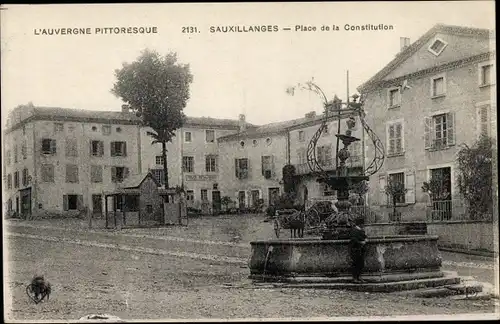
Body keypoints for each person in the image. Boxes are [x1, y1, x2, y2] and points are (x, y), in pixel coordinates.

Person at [348, 218, 367, 283]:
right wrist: (360, 242)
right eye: (362, 224)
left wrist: (366, 239)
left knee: (361, 264)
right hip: (355, 249)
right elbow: (353, 239)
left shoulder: (360, 230)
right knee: (355, 264)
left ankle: (359, 277)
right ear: (360, 224)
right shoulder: (354, 230)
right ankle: (355, 278)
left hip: (361, 249)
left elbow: (364, 236)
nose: (363, 225)